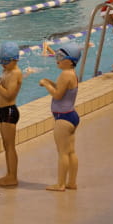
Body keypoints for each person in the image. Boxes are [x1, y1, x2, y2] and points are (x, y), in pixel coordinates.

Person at [39, 42, 81, 192]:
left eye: (60, 57)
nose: (57, 59)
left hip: (63, 119)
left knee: (63, 152)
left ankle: (61, 184)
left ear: (70, 61)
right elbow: (60, 88)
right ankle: (72, 182)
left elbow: (57, 94)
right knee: (71, 151)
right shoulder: (72, 74)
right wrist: (49, 82)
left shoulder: (65, 74)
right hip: (71, 115)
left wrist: (45, 84)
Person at [0, 41, 23, 187]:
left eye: (6, 62)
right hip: (2, 111)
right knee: (6, 145)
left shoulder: (15, 73)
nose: (3, 65)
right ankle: (9, 174)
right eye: (2, 62)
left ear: (15, 59)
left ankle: (13, 177)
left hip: (9, 111)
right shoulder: (7, 71)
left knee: (10, 146)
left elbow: (8, 95)